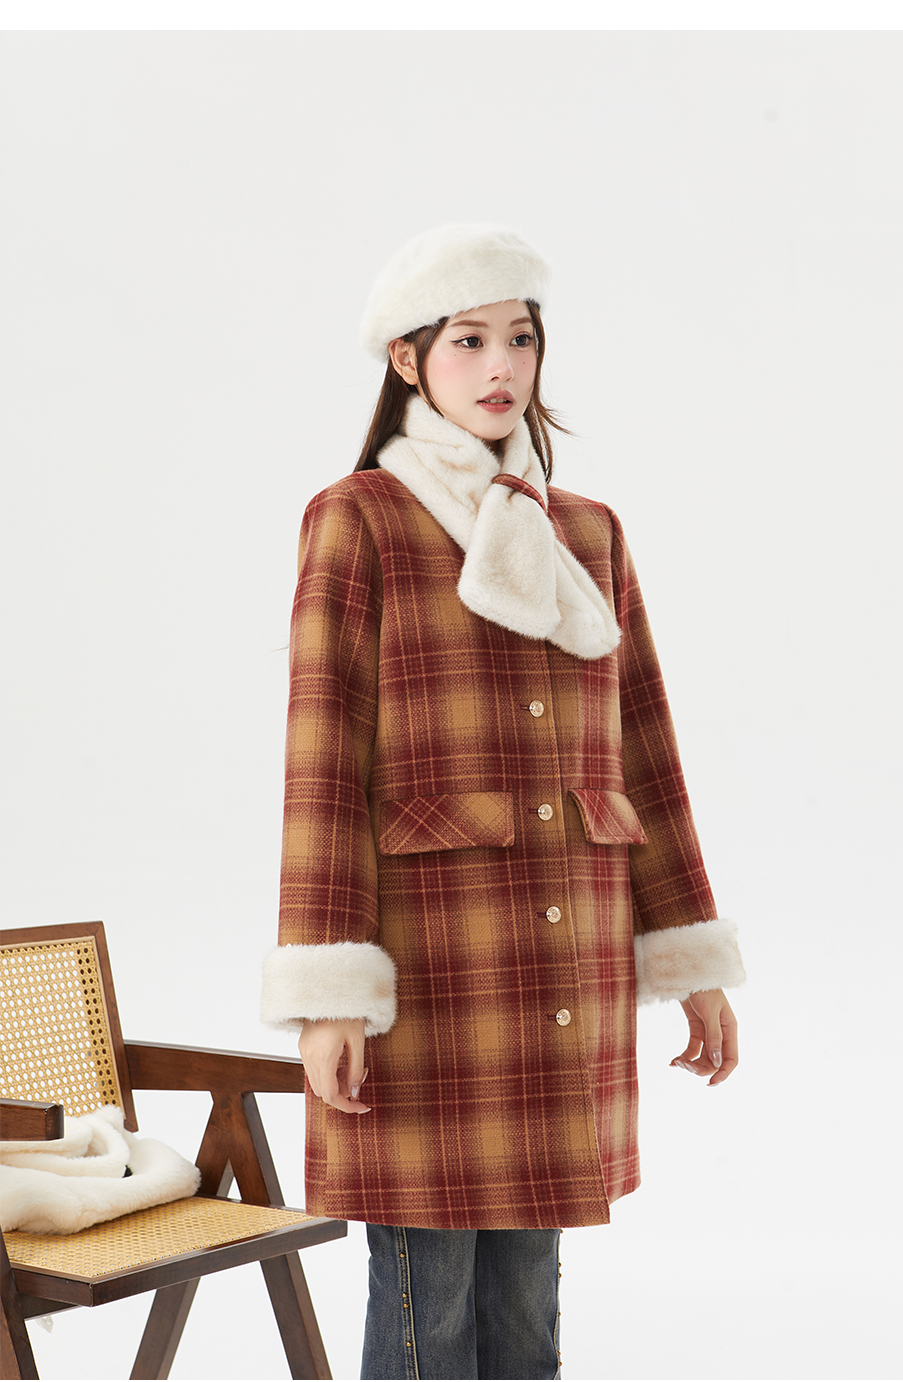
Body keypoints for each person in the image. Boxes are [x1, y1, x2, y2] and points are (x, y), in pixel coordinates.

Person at [261, 224, 745, 1381]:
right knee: (427, 1300)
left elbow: (645, 750)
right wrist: (329, 993)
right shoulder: (361, 518)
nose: (500, 367)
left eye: (519, 339)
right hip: (428, 974)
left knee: (527, 1304)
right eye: (469, 341)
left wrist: (691, 955)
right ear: (406, 357)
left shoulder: (588, 533)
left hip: (563, 971)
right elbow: (323, 758)